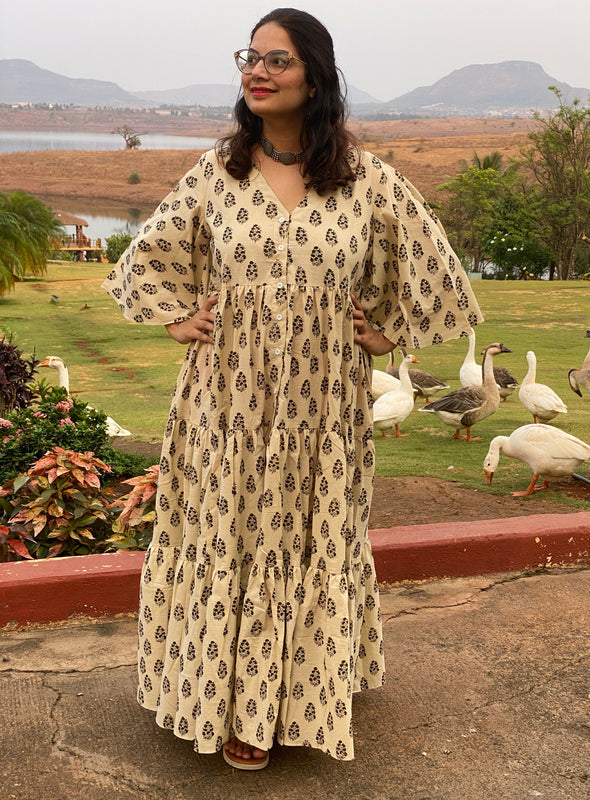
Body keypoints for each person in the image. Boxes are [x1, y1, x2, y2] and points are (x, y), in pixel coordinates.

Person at [103, 7, 483, 770]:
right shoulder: (218, 173)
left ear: (315, 77)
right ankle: (235, 707)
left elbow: (432, 268)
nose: (258, 69)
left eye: (277, 59)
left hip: (321, 407)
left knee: (310, 540)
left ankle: (307, 687)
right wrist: (180, 318)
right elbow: (146, 257)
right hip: (226, 405)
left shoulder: (364, 179)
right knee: (230, 537)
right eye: (250, 57)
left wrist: (385, 332)